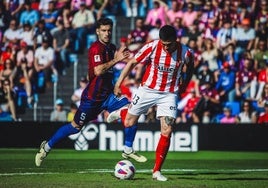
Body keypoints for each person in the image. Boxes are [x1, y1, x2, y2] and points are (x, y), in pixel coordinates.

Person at [35, 18, 147, 167]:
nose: (107, 33)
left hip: (108, 95)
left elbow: (119, 66)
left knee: (132, 110)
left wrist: (131, 65)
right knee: (75, 127)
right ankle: (46, 147)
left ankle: (128, 149)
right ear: (97, 31)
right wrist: (116, 60)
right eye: (104, 30)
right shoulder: (96, 48)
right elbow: (98, 71)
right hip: (92, 99)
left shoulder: (112, 47)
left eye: (109, 30)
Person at [107, 25, 195, 181]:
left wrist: (184, 85)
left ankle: (156, 172)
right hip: (147, 90)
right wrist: (118, 83)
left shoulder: (186, 52)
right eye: (163, 44)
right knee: (128, 122)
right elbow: (132, 63)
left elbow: (191, 67)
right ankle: (122, 113)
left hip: (169, 93)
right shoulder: (152, 46)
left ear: (176, 40)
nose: (166, 47)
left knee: (167, 130)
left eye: (169, 44)